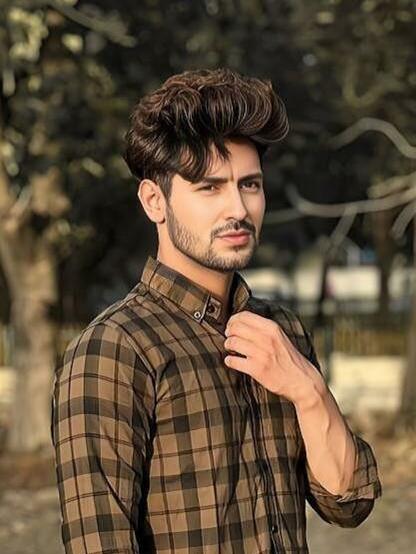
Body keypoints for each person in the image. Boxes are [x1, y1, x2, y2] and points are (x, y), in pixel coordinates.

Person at [51, 68, 382, 554]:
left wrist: (308, 391)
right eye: (209, 187)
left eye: (249, 185)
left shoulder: (281, 331)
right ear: (154, 201)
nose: (239, 210)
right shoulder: (113, 351)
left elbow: (348, 505)